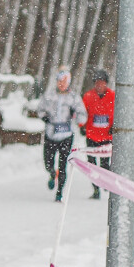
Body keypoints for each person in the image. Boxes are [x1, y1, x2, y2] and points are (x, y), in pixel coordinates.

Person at [36, 68, 86, 201]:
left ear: (68, 82)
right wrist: (44, 117)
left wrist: (77, 117)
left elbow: (82, 115)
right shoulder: (49, 95)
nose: (61, 83)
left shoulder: (74, 98)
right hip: (51, 134)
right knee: (48, 162)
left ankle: (59, 193)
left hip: (66, 135)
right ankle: (52, 174)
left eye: (64, 81)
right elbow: (40, 109)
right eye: (59, 80)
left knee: (63, 165)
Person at [81, 69, 115, 199]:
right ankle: (96, 189)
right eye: (97, 82)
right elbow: (82, 113)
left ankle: (105, 183)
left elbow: (118, 113)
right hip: (92, 136)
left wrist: (114, 126)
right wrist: (82, 126)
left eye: (102, 82)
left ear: (106, 83)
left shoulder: (113, 96)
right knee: (91, 165)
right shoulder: (88, 96)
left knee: (105, 164)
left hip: (106, 136)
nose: (99, 85)